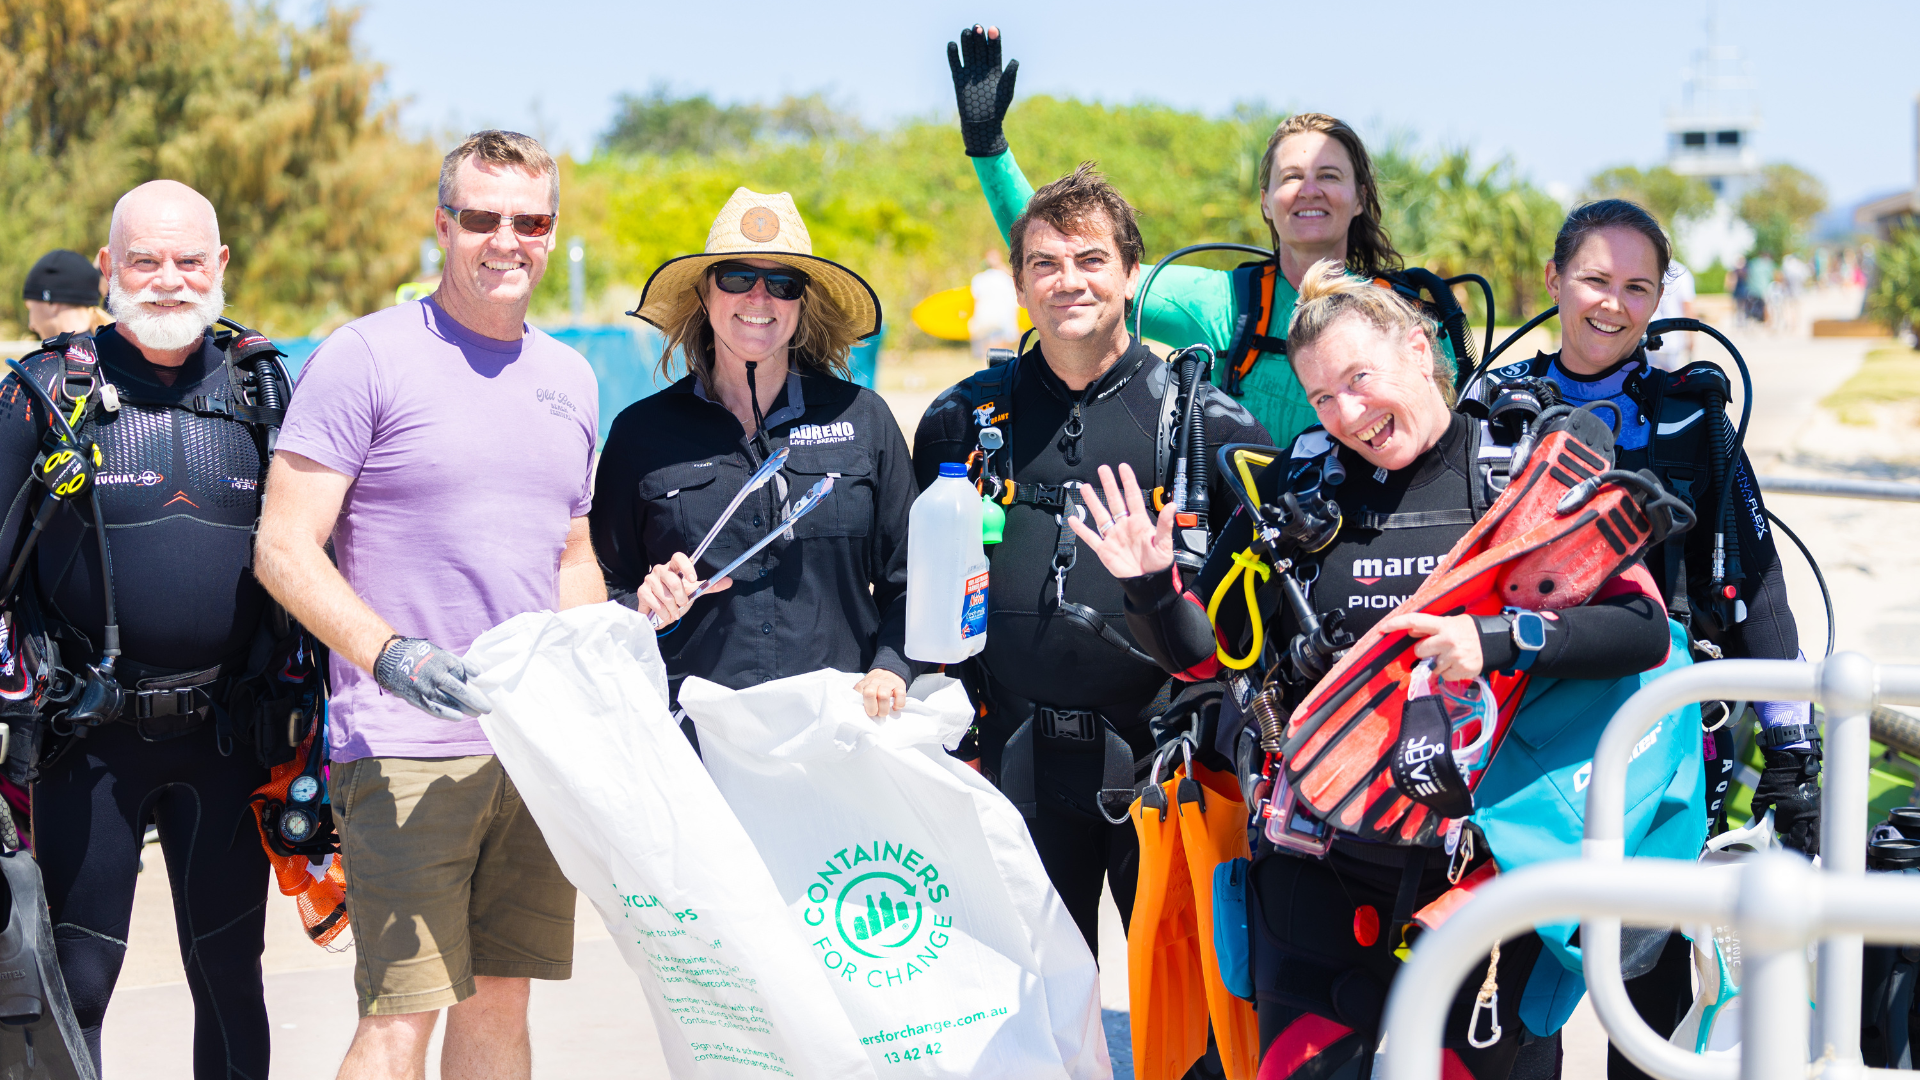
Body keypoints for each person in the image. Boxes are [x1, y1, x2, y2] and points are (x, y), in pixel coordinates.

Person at [1074, 261, 1675, 1077]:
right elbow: (1205, 662)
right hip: (1320, 862)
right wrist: (1150, 588)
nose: (1349, 415)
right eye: (1323, 397)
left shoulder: (1519, 473)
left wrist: (1497, 639)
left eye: (1361, 379)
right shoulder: (1301, 489)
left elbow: (1642, 630)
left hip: (1485, 875)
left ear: (1419, 352)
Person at [255, 130, 602, 1080]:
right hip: (402, 747)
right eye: (481, 218)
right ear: (441, 224)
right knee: (401, 1015)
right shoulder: (364, 356)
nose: (506, 241)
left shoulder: (570, 378)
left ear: (551, 230)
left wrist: (598, 691)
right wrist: (392, 656)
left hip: (531, 754)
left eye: (529, 222)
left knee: (501, 1005)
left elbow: (570, 552)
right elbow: (283, 547)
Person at [1471, 200, 1813, 1079]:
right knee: (1507, 1017)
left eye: (1637, 286)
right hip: (1520, 752)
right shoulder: (1490, 415)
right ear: (1553, 281)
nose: (1612, 305)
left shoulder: (1695, 421)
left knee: (1649, 1023)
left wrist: (1789, 742)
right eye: (1593, 279)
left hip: (1665, 754)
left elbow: (1753, 588)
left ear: (1662, 297)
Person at [912, 164, 1266, 953]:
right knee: (1026, 1027)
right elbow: (911, 589)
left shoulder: (1208, 422)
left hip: (1165, 766)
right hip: (1013, 760)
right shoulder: (962, 419)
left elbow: (1258, 622)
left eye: (1091, 260)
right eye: (1044, 263)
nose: (1067, 281)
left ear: (1132, 273)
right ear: (1019, 283)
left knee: (1191, 1039)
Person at [7, 180, 292, 1078]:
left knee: (230, 978)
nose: (167, 280)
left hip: (229, 735)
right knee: (76, 984)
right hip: (87, 743)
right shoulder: (42, 395)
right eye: (144, 260)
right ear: (107, 269)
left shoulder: (268, 390)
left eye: (187, 260)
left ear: (220, 268)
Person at [945, 25, 1467, 450]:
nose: (1309, 189)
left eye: (1329, 175)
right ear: (1265, 201)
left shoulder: (1405, 315)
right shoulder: (1224, 305)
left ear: (1359, 197)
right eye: (1291, 177)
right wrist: (989, 148)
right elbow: (1070, 260)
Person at [592, 187, 917, 720]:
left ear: (802, 300)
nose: (759, 298)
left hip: (838, 735)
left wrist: (891, 665)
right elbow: (600, 588)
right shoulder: (639, 433)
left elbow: (912, 580)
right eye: (738, 277)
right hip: (693, 744)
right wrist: (640, 604)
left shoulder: (865, 420)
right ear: (704, 292)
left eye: (783, 283)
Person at [20, 249, 110, 339]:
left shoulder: (59, 353)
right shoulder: (109, 347)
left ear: (52, 303)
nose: (31, 325)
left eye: (30, 308)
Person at [969, 247, 1020, 361]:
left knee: (1001, 349)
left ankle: (997, 373)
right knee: (989, 349)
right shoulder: (980, 278)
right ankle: (990, 373)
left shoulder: (1004, 276)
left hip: (1001, 317)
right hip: (989, 317)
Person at [1645, 259, 1695, 371]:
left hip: (1649, 335)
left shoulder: (1645, 266)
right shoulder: (1682, 272)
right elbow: (1688, 308)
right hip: (1673, 339)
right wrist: (1691, 340)